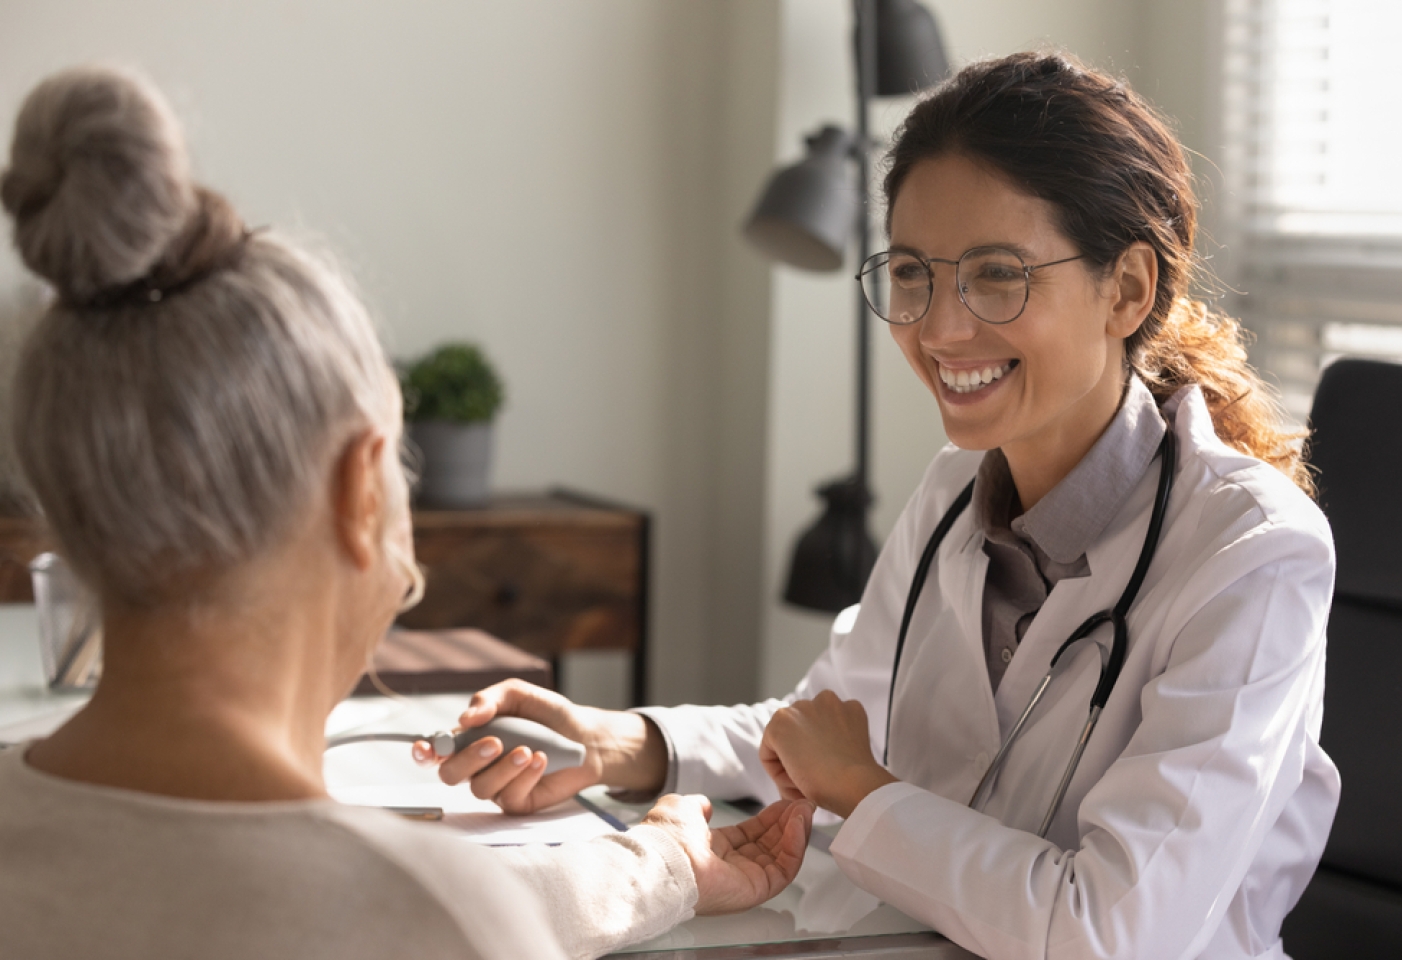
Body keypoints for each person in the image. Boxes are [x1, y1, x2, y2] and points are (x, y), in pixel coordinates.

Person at [424, 52, 1341, 959]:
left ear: (1128, 289)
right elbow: (820, 723)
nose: (939, 328)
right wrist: (624, 742)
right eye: (912, 274)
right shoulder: (956, 491)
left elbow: (1113, 933)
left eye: (996, 275)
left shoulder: (1253, 554)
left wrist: (862, 790)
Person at [0, 65, 813, 960]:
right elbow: (383, 915)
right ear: (360, 489)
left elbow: (209, 890)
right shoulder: (436, 917)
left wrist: (656, 867)